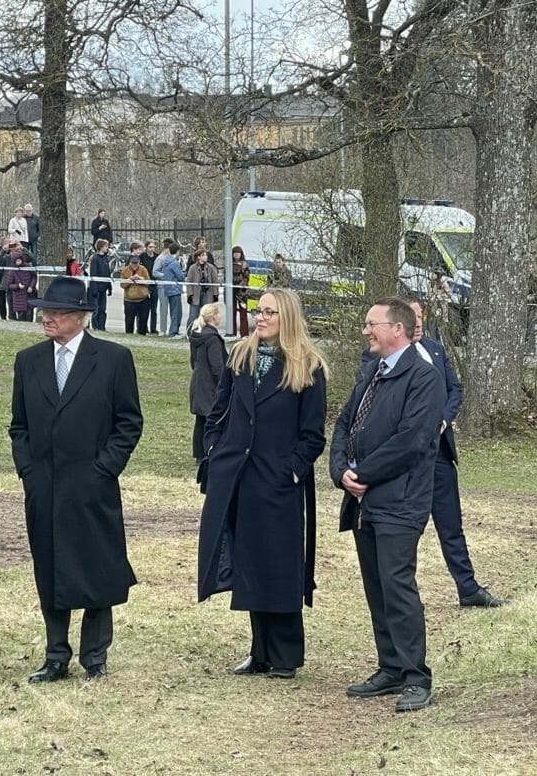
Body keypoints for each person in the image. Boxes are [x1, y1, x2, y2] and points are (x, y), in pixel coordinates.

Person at [10, 276, 143, 682]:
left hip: (93, 486)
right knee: (49, 567)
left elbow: (129, 422)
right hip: (45, 488)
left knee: (97, 567)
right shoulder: (28, 360)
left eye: (56, 312)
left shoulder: (113, 358)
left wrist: (104, 468)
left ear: (81, 318)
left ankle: (95, 656)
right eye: (44, 310)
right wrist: (29, 472)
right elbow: (19, 426)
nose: (46, 318)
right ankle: (55, 655)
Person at [197, 289, 328, 680]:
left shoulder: (307, 366)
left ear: (286, 316)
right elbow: (218, 412)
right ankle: (260, 651)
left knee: (280, 563)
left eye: (269, 312)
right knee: (250, 562)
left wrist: (292, 470)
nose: (261, 317)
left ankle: (285, 655)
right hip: (239, 477)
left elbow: (313, 434)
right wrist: (214, 450)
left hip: (278, 481)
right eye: (259, 310)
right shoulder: (241, 357)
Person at [329, 297, 445, 712]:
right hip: (365, 502)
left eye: (371, 324)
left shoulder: (424, 378)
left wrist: (362, 475)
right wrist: (340, 469)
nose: (365, 331)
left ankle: (416, 676)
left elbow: (412, 441)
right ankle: (391, 667)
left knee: (397, 585)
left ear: (397, 328)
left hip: (400, 501)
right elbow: (345, 423)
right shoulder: (372, 371)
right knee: (376, 585)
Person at [409, 301, 507, 608]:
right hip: (408, 461)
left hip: (440, 455)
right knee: (407, 528)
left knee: (451, 525)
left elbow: (455, 389)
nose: (419, 322)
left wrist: (443, 419)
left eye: (421, 316)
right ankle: (401, 592)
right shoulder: (389, 358)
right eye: (412, 317)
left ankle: (468, 589)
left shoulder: (436, 349)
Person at [187, 303, 227, 461]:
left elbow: (193, 360)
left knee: (201, 419)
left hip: (198, 380)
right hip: (210, 384)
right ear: (213, 316)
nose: (220, 317)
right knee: (211, 418)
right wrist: (223, 383)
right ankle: (208, 450)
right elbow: (217, 366)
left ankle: (198, 452)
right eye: (218, 314)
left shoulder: (196, 335)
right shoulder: (213, 339)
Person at [185, 250, 219, 326]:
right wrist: (190, 295)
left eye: (206, 255)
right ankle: (189, 332)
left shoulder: (211, 267)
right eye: (203, 255)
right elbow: (189, 282)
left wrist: (215, 294)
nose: (205, 257)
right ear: (198, 257)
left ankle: (206, 332)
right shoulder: (192, 268)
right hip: (196, 294)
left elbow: (215, 281)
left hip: (207, 294)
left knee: (207, 315)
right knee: (193, 315)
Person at [120, 255, 150, 335]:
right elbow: (122, 285)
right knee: (129, 320)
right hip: (129, 300)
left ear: (139, 263)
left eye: (136, 263)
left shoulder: (143, 269)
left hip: (143, 299)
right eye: (133, 263)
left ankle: (142, 334)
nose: (134, 265)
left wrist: (140, 278)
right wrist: (130, 280)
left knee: (143, 320)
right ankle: (129, 335)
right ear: (129, 263)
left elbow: (148, 282)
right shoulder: (124, 271)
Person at [87, 238, 112, 331]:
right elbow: (93, 274)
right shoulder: (95, 258)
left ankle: (102, 326)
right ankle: (96, 326)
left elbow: (108, 273)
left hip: (103, 288)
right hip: (96, 288)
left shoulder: (106, 258)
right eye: (106, 246)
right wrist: (94, 288)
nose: (107, 248)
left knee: (103, 309)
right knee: (96, 309)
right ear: (101, 247)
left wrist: (109, 287)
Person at [163, 244, 186, 338]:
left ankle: (174, 330)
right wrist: (184, 274)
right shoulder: (175, 263)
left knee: (173, 311)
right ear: (177, 251)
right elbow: (180, 276)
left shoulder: (166, 261)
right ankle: (173, 331)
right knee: (177, 312)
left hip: (168, 288)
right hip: (175, 289)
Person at [7, 254, 36, 321]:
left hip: (29, 295)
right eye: (16, 261)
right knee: (21, 317)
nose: (18, 262)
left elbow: (34, 277)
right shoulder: (12, 271)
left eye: (19, 260)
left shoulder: (28, 267)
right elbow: (9, 285)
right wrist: (17, 286)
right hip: (18, 298)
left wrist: (31, 286)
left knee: (29, 314)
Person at [232, 246, 251, 337]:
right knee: (232, 313)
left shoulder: (245, 265)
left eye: (238, 253)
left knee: (243, 314)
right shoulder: (229, 264)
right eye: (235, 253)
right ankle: (232, 332)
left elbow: (247, 278)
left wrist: (241, 286)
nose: (236, 255)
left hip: (242, 293)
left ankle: (244, 334)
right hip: (231, 291)